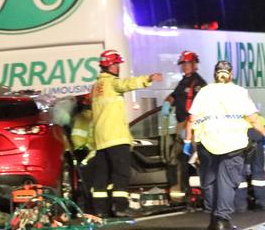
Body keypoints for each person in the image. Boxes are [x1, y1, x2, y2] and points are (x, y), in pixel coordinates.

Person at [184, 61, 265, 230]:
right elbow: (253, 118)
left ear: (215, 74)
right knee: (227, 181)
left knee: (209, 180)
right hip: (232, 144)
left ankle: (213, 218)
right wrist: (264, 134)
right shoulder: (239, 92)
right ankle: (222, 219)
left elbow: (191, 119)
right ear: (231, 74)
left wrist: (188, 141)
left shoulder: (204, 92)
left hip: (206, 143)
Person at [91, 49, 162, 217]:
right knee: (121, 173)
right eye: (116, 64)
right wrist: (148, 79)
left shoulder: (95, 87)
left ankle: (100, 210)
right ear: (110, 65)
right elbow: (126, 84)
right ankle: (120, 207)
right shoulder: (112, 82)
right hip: (116, 137)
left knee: (102, 175)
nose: (118, 67)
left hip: (101, 140)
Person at [161, 51, 207, 195]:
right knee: (180, 160)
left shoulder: (198, 83)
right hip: (182, 124)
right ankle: (184, 193)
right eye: (183, 64)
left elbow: (203, 106)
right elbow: (175, 95)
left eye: (188, 64)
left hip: (193, 126)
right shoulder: (183, 82)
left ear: (194, 65)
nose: (185, 66)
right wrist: (167, 103)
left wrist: (191, 127)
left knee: (197, 159)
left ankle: (205, 193)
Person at [235, 114, 265, 212]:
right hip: (256, 141)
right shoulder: (257, 116)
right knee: (258, 174)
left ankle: (240, 205)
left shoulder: (233, 115)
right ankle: (263, 202)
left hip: (238, 143)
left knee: (239, 174)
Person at [70, 94, 95, 208]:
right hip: (92, 152)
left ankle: (84, 206)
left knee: (83, 182)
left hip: (83, 152)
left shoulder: (81, 117)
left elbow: (76, 138)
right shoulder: (95, 116)